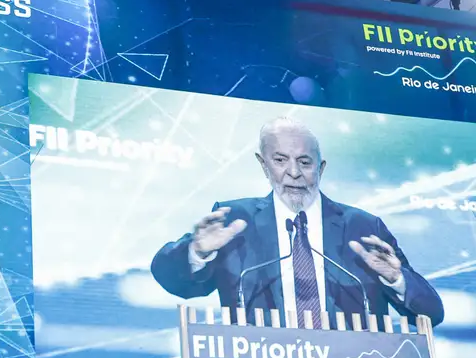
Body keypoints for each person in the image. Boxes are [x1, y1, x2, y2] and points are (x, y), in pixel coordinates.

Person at [151, 117, 444, 327]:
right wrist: (197, 253)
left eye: (305, 162)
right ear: (264, 165)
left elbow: (432, 313)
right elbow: (177, 282)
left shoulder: (363, 227)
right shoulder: (234, 221)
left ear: (321, 168)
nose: (293, 172)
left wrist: (397, 279)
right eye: (280, 160)